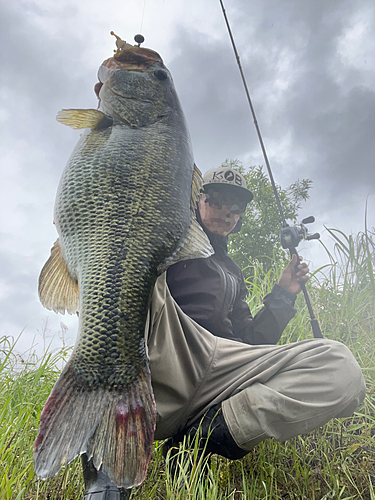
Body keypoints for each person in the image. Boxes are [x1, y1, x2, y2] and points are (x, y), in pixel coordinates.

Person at [82, 167, 366, 499]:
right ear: (196, 201)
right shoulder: (174, 235)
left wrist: (283, 294)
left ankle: (197, 441)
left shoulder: (233, 272)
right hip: (168, 347)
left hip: (221, 368)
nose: (225, 211)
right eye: (215, 200)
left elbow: (250, 342)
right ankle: (107, 479)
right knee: (133, 266)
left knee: (341, 367)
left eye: (234, 207)